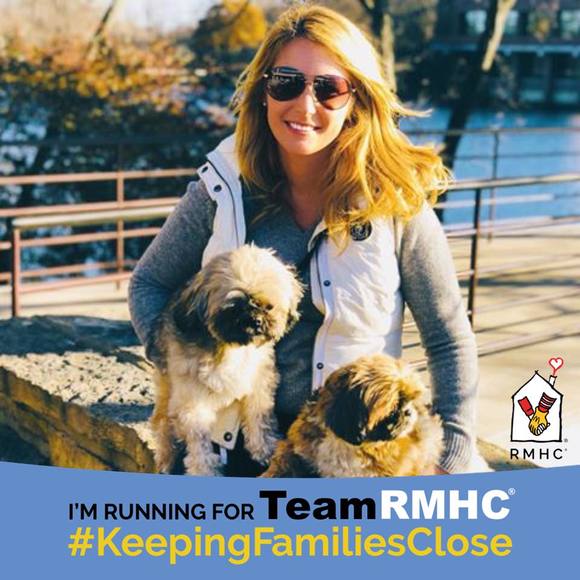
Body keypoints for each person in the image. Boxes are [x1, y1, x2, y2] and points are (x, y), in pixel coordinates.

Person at [129, 4, 483, 476]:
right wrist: (183, 366)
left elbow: (448, 337)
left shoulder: (396, 205)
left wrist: (452, 457)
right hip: (229, 449)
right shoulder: (223, 190)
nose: (305, 105)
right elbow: (148, 284)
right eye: (286, 83)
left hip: (348, 463)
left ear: (357, 100)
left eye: (329, 88)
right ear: (263, 92)